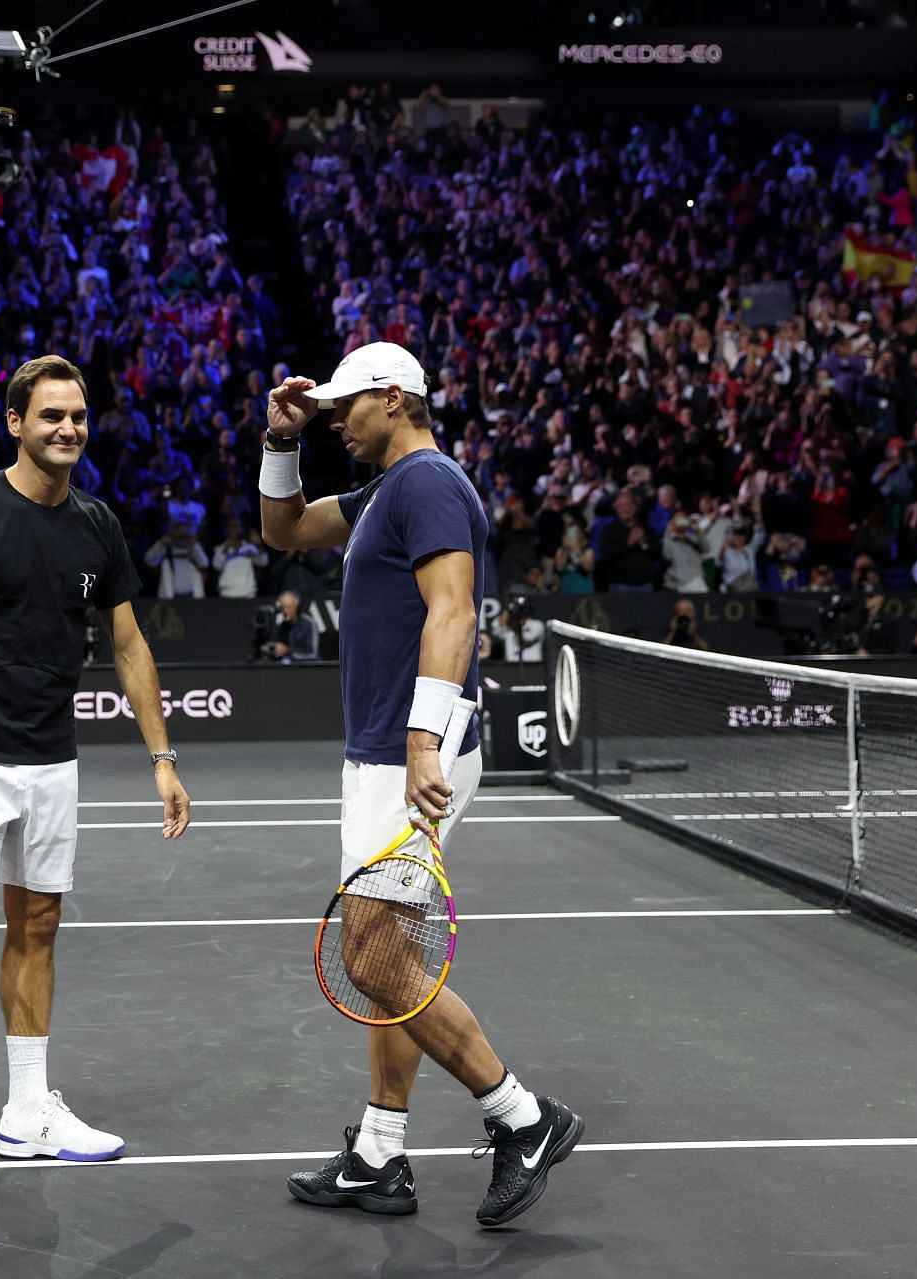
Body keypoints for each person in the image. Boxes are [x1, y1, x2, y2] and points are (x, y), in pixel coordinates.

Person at [260, 341, 580, 1228]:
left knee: (370, 953)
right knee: (388, 958)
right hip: (382, 751)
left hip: (410, 753)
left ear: (392, 398)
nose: (336, 421)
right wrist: (279, 442)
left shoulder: (432, 481)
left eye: (343, 409)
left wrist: (422, 738)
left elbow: (455, 607)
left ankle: (523, 1117)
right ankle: (378, 1154)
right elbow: (282, 531)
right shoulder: (378, 494)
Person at [0, 354, 192, 1188]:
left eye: (78, 416)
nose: (68, 429)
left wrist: (162, 757)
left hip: (52, 760)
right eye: (51, 415)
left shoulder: (97, 525)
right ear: (15, 423)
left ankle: (27, 1111)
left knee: (39, 927)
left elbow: (129, 645)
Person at [267, 590, 319, 662]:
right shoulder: (281, 626)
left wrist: (288, 651)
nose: (285, 611)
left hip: (309, 669)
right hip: (287, 669)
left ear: (297, 607)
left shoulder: (308, 624)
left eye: (289, 607)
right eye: (283, 607)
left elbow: (313, 654)